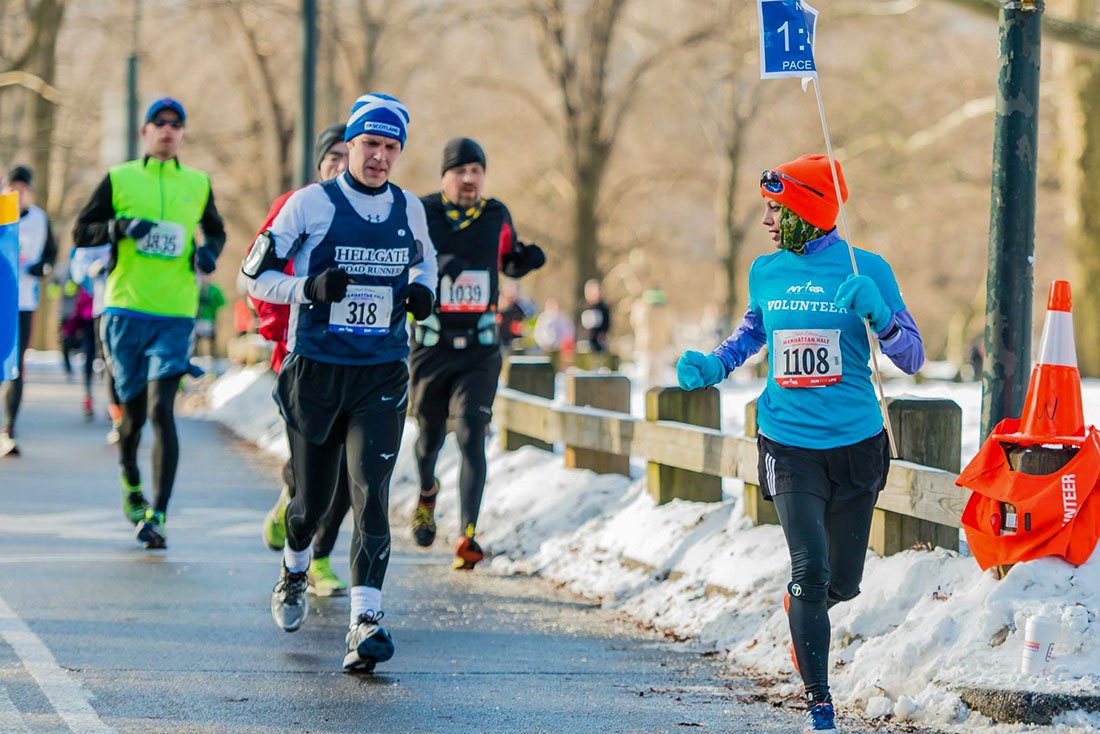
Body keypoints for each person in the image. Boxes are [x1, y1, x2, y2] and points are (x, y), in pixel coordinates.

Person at [675, 155, 924, 732]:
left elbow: (911, 357)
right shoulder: (766, 270)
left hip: (858, 444)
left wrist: (882, 317)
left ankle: (803, 607)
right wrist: (714, 365)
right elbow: (751, 333)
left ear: (808, 210)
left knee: (842, 582)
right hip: (787, 442)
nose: (766, 220)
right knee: (808, 568)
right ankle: (820, 705)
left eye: (776, 208)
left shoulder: (868, 267)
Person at [243, 93, 436, 673]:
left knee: (370, 490)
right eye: (369, 144)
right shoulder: (309, 205)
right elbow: (253, 276)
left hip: (380, 371)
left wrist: (424, 291)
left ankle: (366, 621)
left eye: (389, 146)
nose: (378, 156)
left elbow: (425, 263)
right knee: (311, 504)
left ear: (399, 152)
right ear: (349, 145)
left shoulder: (409, 208)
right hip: (316, 371)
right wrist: (308, 289)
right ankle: (294, 570)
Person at [72, 97, 226, 549]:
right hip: (125, 311)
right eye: (159, 123)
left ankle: (158, 512)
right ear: (144, 132)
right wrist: (119, 228)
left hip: (176, 314)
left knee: (162, 411)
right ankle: (131, 483)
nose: (167, 131)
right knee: (133, 418)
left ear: (182, 134)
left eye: (175, 125)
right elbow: (83, 231)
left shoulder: (197, 184)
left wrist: (209, 253)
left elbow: (216, 231)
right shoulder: (120, 179)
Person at [409, 137, 545, 569]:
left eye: (476, 171)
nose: (469, 179)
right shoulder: (421, 211)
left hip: (481, 347)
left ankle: (468, 535)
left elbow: (507, 259)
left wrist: (526, 260)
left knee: (471, 433)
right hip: (431, 344)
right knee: (429, 437)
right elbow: (402, 258)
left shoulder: (495, 215)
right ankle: (427, 493)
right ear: (444, 177)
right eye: (460, 171)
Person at [255, 122, 356, 598]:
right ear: (320, 164)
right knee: (312, 460)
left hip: (357, 358)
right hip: (299, 351)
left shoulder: (374, 210)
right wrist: (277, 329)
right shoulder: (298, 206)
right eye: (332, 156)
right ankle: (290, 503)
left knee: (343, 464)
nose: (341, 163)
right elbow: (262, 271)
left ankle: (320, 558)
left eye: (347, 153)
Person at [0, 165, 58, 457]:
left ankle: (9, 429)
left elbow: (51, 253)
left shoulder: (39, 219)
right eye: (14, 187)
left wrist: (42, 267)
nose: (19, 193)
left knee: (15, 365)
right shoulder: (0, 213)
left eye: (24, 189)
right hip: (1, 297)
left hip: (24, 302)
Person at [577, 278, 611, 353]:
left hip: (598, 342)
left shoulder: (603, 308)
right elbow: (578, 324)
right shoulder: (583, 306)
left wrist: (603, 335)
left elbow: (607, 324)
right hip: (584, 341)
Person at [195, 278, 225, 358]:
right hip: (197, 319)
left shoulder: (214, 290)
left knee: (211, 340)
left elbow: (221, 304)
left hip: (210, 319)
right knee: (196, 341)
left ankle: (214, 358)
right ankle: (196, 358)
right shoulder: (195, 288)